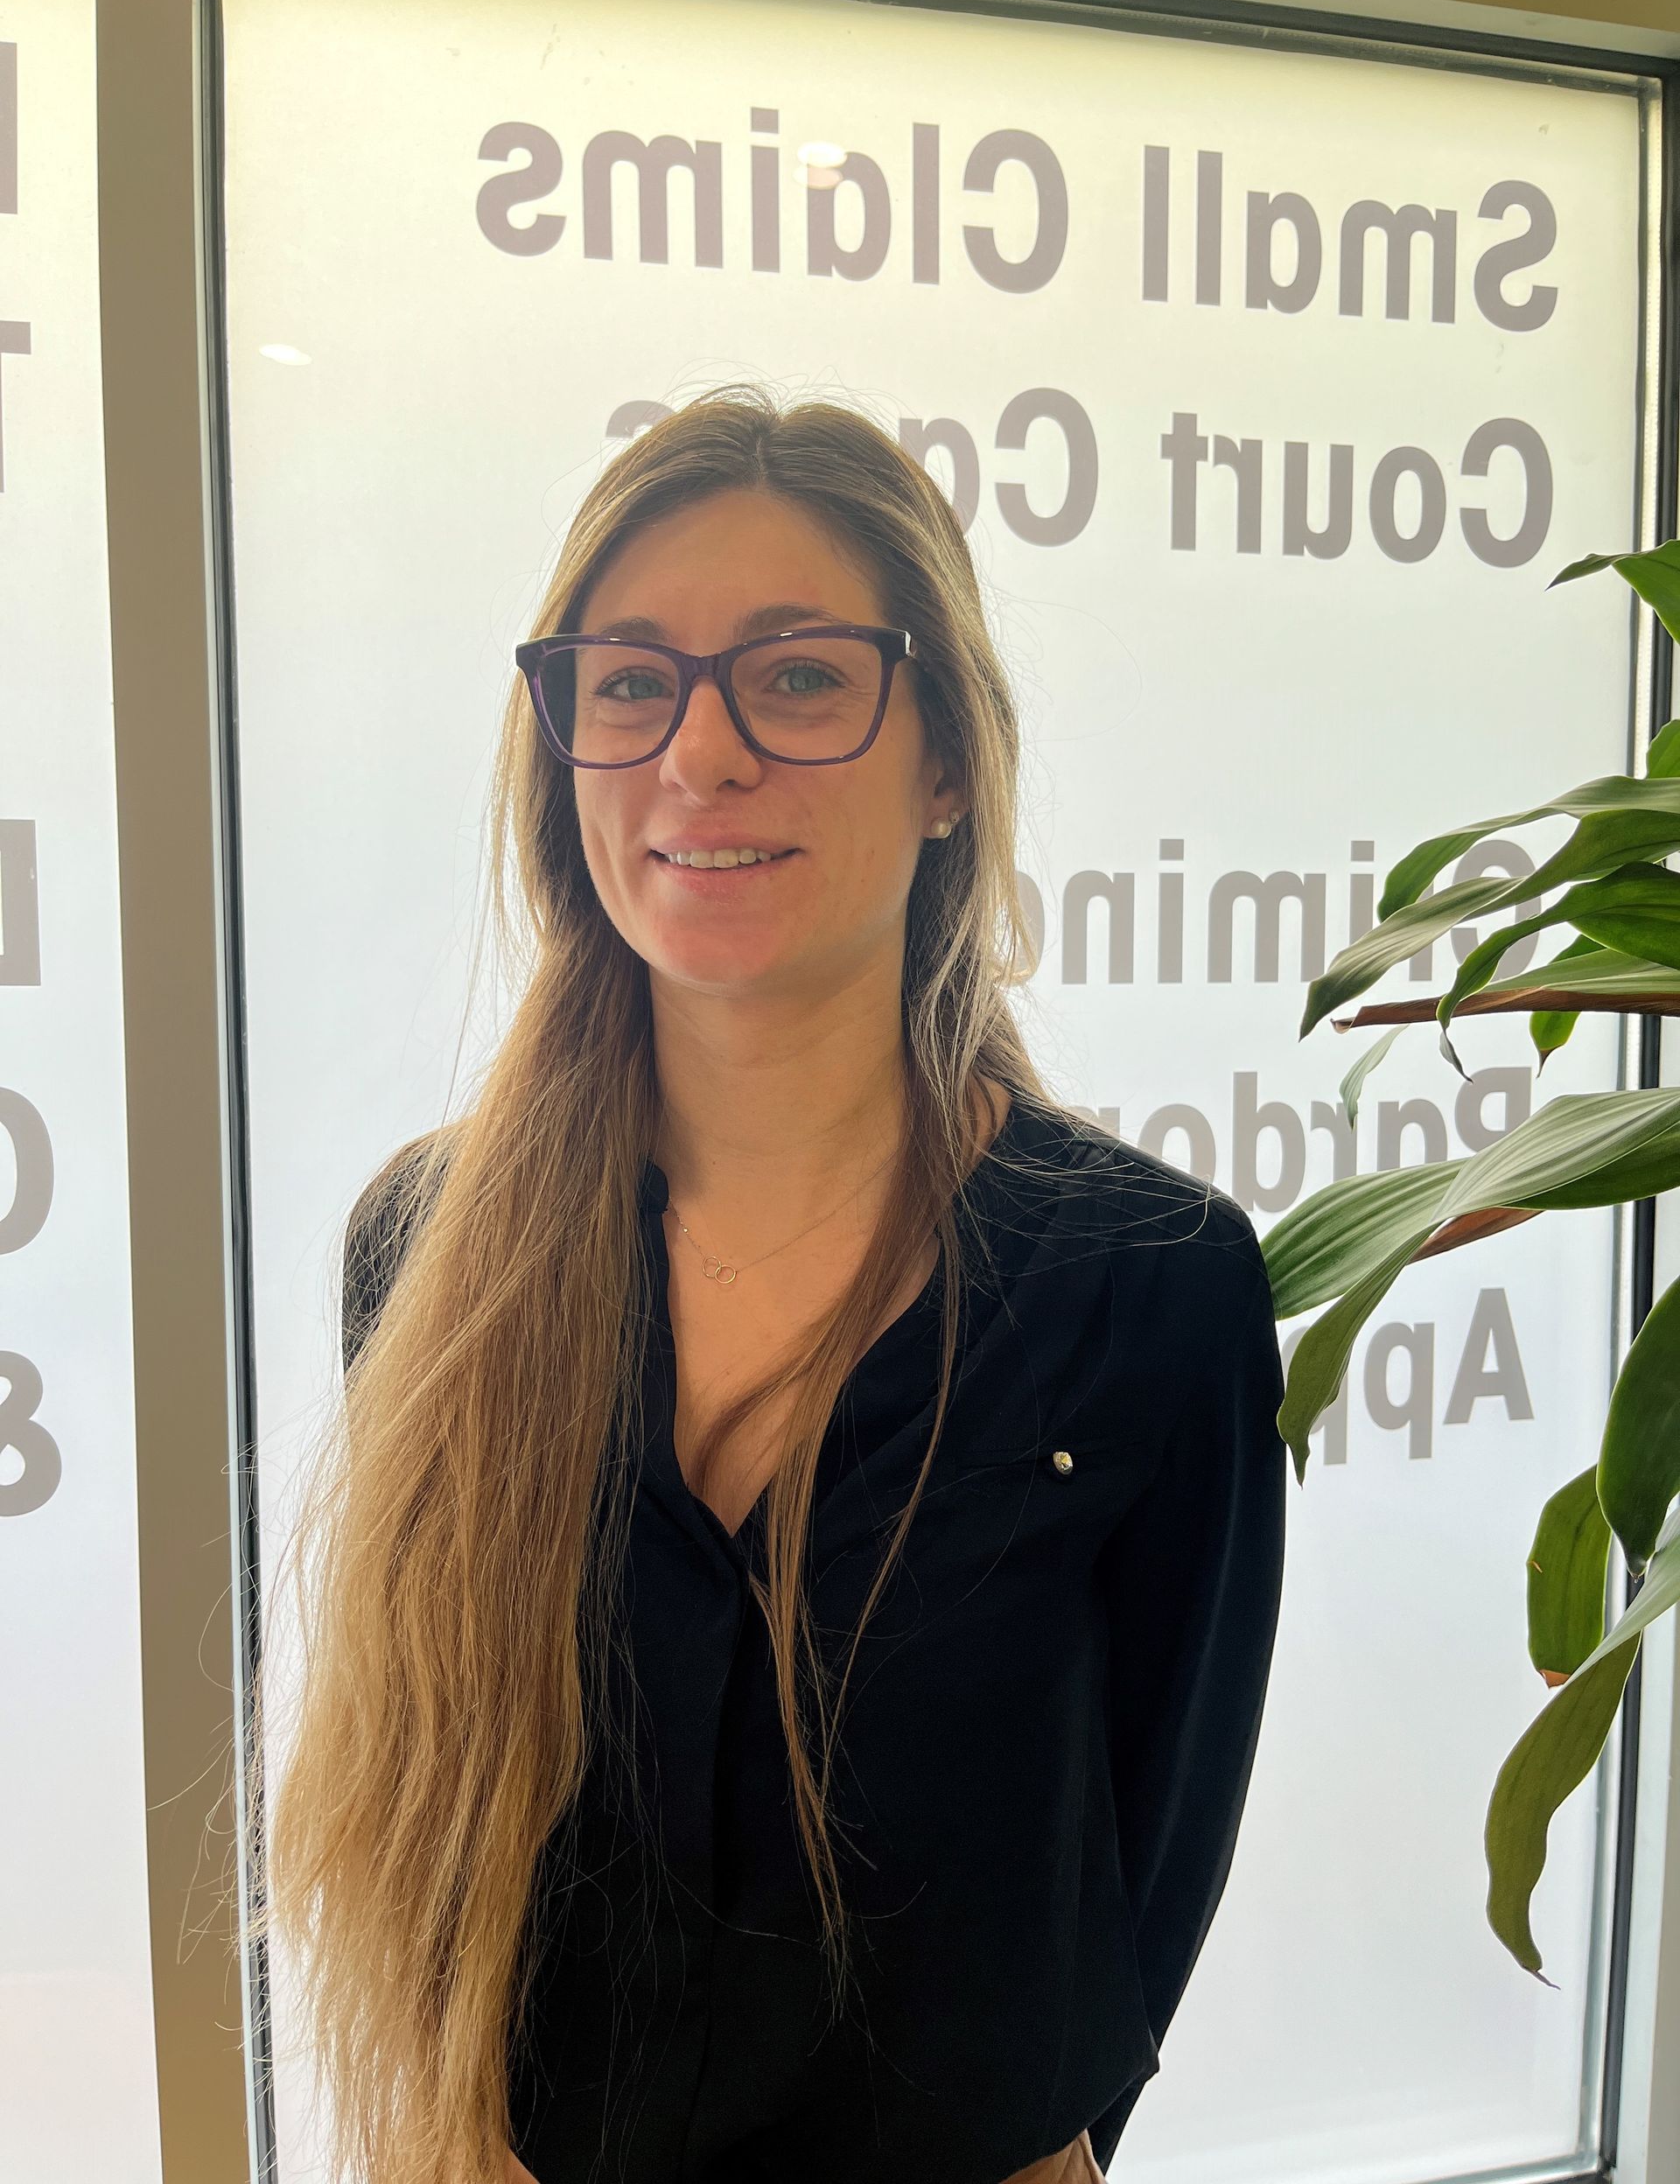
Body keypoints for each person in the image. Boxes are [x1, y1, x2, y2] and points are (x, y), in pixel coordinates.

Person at [253, 382, 1287, 2184]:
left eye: (801, 675)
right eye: (632, 679)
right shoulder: (425, 1256)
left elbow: (1152, 1853)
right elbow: (434, 1820)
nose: (700, 752)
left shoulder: (1152, 1288)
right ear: (564, 740)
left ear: (949, 757)